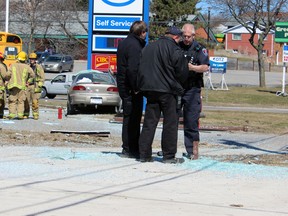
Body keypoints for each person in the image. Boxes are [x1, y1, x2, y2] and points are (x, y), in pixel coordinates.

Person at [137, 26, 189, 164]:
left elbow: (141, 67)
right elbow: (182, 72)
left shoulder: (148, 47)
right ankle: (168, 155)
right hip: (168, 91)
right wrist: (179, 86)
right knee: (170, 123)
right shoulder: (175, 49)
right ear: (176, 37)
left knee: (149, 122)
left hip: (150, 90)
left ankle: (144, 154)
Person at [116, 21, 148, 158]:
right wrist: (136, 87)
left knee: (129, 118)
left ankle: (129, 147)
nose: (146, 35)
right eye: (145, 31)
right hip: (131, 88)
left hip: (124, 86)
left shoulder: (124, 43)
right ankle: (130, 148)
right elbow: (133, 69)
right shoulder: (135, 46)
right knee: (133, 119)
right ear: (141, 32)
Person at [179, 23, 210, 160]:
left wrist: (192, 68)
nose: (186, 39)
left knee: (191, 120)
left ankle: (192, 150)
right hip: (178, 87)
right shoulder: (177, 46)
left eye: (188, 36)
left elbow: (205, 67)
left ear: (193, 35)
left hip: (192, 88)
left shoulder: (199, 49)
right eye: (184, 36)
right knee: (172, 119)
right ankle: (169, 150)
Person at [6, 51, 35, 119]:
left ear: (18, 58)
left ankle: (12, 115)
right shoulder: (27, 67)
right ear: (25, 59)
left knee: (12, 101)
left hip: (13, 87)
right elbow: (33, 75)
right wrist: (28, 82)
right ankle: (20, 115)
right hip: (22, 87)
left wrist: (7, 79)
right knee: (21, 101)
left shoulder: (13, 65)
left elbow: (7, 75)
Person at [24, 52, 45, 120]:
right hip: (27, 86)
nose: (31, 60)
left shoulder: (39, 67)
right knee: (26, 101)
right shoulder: (27, 67)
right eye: (30, 59)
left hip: (35, 86)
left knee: (35, 102)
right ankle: (26, 113)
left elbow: (42, 78)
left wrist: (39, 86)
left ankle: (35, 114)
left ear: (35, 59)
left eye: (33, 59)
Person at [0, 52, 9, 118]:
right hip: (1, 86)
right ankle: (0, 114)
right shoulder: (1, 66)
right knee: (2, 101)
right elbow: (5, 76)